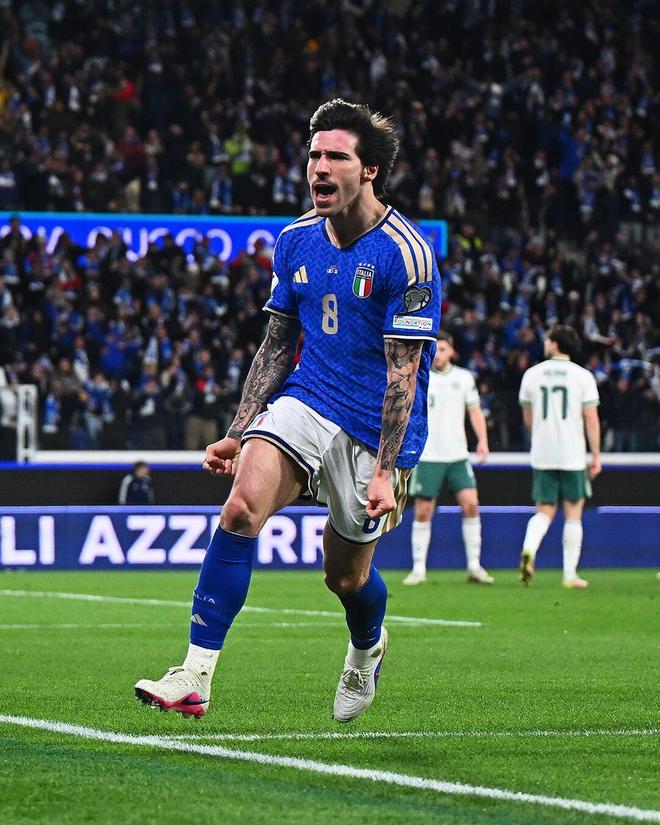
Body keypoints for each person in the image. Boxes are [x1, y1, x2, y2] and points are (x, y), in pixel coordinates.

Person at [134, 99, 441, 721]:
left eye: (336, 157)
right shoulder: (296, 239)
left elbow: (403, 374)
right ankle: (195, 674)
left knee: (345, 578)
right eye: (314, 155)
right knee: (240, 508)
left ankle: (367, 648)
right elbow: (277, 345)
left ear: (370, 170)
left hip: (372, 425)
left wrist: (385, 471)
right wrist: (238, 431)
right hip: (307, 398)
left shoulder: (406, 254)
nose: (319, 168)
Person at [403, 331, 493, 586]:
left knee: (471, 504)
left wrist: (483, 440)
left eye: (443, 349)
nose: (438, 354)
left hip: (457, 455)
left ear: (452, 351)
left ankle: (474, 566)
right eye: (435, 349)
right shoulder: (419, 375)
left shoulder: (464, 378)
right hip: (428, 454)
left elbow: (475, 412)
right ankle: (418, 569)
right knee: (423, 510)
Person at [518, 326, 601, 588]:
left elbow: (528, 419)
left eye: (548, 339)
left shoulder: (532, 375)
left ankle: (529, 550)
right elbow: (591, 418)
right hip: (572, 452)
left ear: (555, 344)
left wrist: (541, 436)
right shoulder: (583, 376)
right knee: (573, 512)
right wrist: (596, 455)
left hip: (543, 452)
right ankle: (569, 574)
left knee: (544, 510)